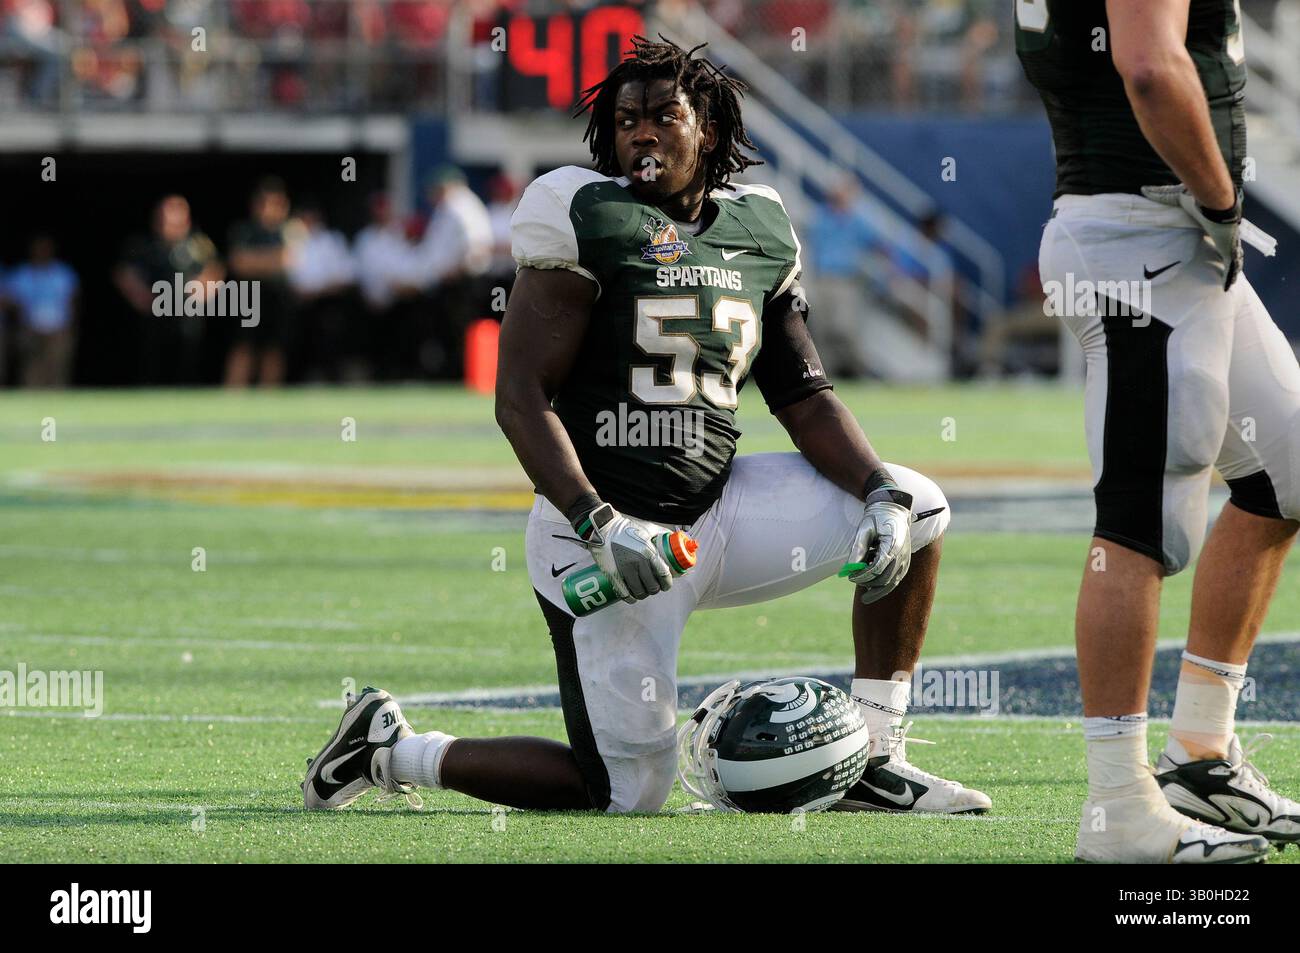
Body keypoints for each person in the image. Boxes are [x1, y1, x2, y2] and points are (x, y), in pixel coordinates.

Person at [303, 36, 990, 817]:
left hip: (720, 513)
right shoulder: (585, 212)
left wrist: (875, 491)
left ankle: (875, 754)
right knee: (628, 793)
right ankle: (393, 748)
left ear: (712, 132)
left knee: (915, 505)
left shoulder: (759, 228)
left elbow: (803, 396)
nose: (643, 134)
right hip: (603, 531)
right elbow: (520, 396)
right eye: (628, 120)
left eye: (666, 115)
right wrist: (596, 521)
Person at [1019, 0, 1300, 863]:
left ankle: (1199, 756)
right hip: (1144, 240)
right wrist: (1220, 199)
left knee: (1287, 468)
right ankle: (1116, 806)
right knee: (1142, 519)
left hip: (1158, 231)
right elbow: (1149, 65)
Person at [114, 194, 222, 384]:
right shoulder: (143, 245)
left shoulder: (199, 244)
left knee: (186, 362)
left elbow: (215, 270)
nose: (169, 222)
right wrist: (139, 295)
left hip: (187, 315)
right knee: (151, 363)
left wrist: (203, 289)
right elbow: (124, 272)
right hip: (152, 315)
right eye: (164, 217)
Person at [225, 177, 294, 387]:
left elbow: (288, 259)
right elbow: (239, 263)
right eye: (263, 203)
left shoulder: (288, 231)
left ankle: (268, 398)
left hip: (278, 296)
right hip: (248, 296)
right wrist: (271, 260)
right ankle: (234, 397)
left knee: (274, 349)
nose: (267, 209)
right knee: (243, 346)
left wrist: (257, 260)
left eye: (274, 203)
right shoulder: (243, 230)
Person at [6, 235, 78, 388]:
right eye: (39, 249)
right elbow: (9, 301)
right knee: (31, 368)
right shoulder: (22, 274)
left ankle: (58, 402)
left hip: (58, 328)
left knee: (57, 367)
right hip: (30, 328)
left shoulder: (63, 273)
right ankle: (31, 403)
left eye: (46, 249)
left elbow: (73, 300)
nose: (42, 252)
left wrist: (70, 325)